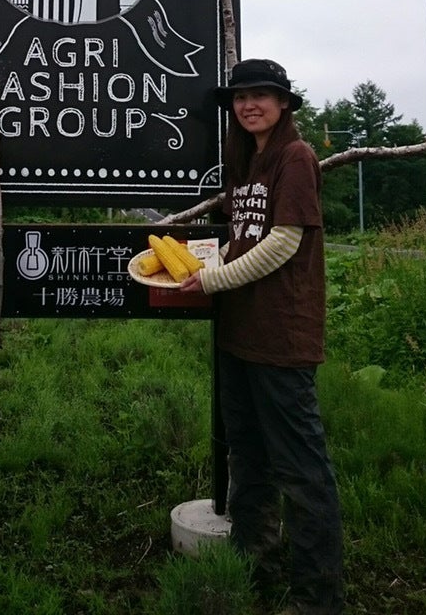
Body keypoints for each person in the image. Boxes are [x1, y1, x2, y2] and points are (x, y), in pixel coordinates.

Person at [180, 58, 344, 615]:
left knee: (300, 469)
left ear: (284, 104)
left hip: (281, 336)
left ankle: (317, 596)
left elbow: (282, 242)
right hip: (239, 333)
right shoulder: (246, 161)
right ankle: (256, 563)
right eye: (240, 97)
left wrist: (212, 280)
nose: (249, 105)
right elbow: (244, 238)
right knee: (247, 456)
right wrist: (206, 264)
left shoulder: (295, 157)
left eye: (262, 96)